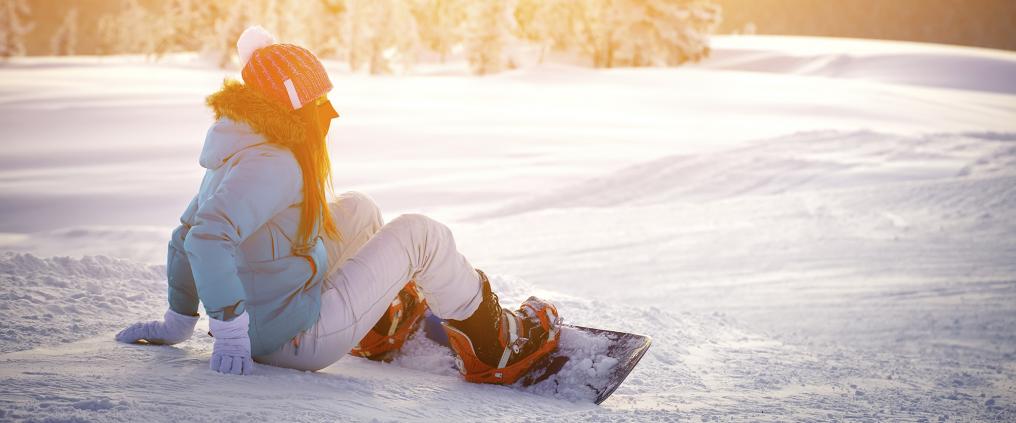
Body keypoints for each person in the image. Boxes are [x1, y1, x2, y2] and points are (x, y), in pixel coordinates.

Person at [115, 26, 560, 385]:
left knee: (358, 208)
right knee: (420, 234)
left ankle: (380, 326)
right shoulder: (273, 163)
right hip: (291, 338)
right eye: (319, 99)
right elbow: (205, 238)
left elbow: (184, 233)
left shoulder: (239, 146)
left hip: (272, 316)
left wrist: (180, 319)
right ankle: (493, 343)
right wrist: (230, 334)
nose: (329, 111)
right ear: (292, 104)